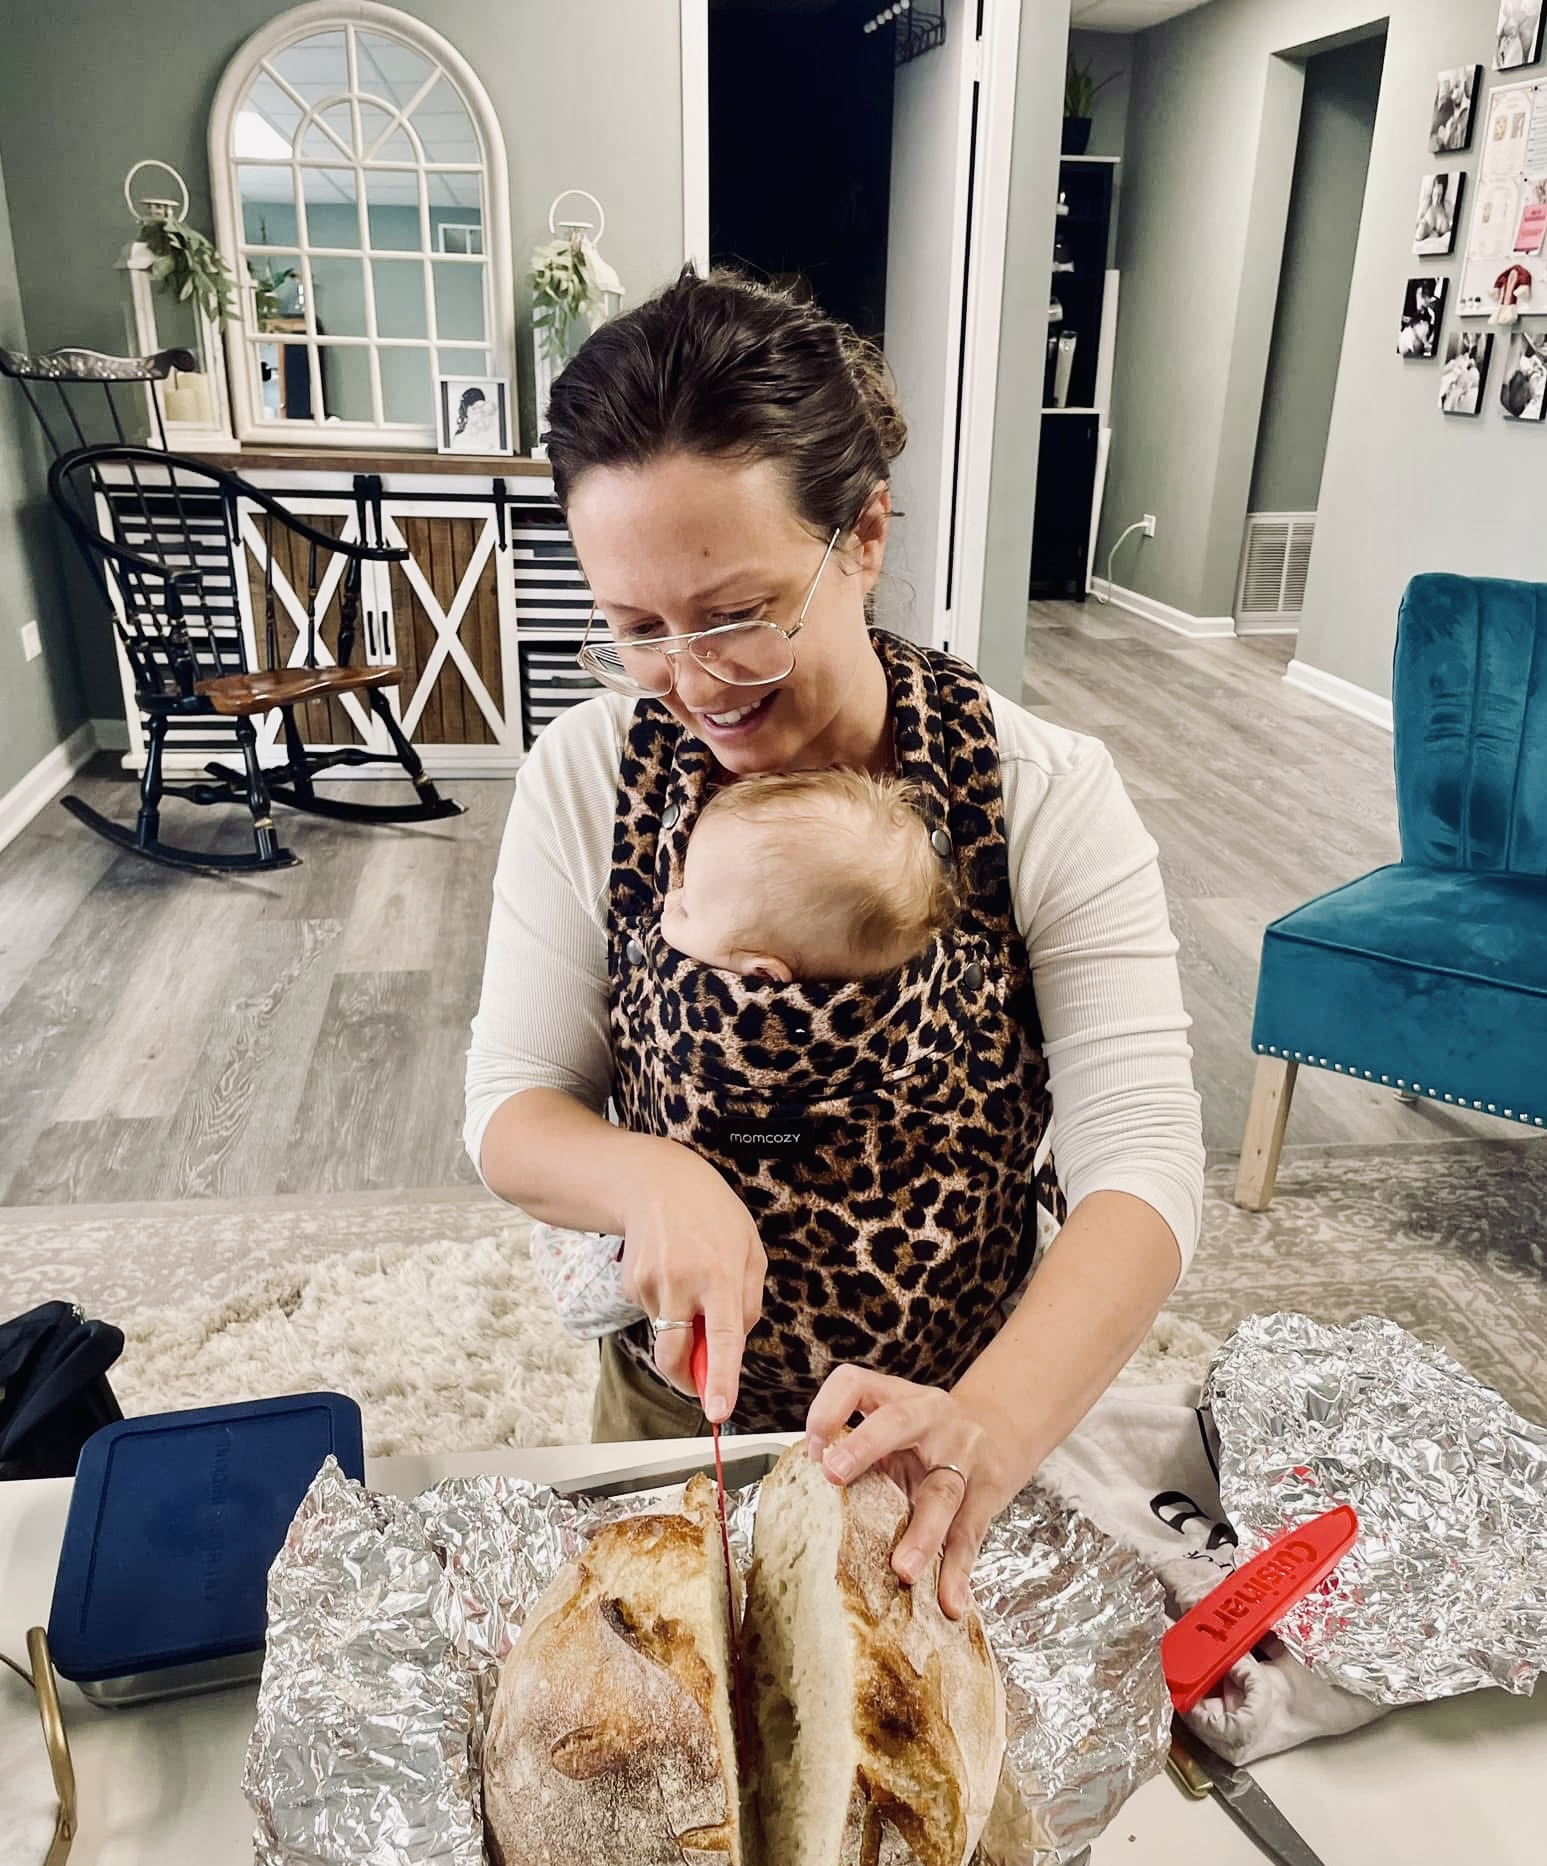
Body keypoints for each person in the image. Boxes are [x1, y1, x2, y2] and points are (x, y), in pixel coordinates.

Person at [465, 268, 1204, 1618]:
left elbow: (1140, 1167)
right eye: (635, 629)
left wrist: (986, 1423)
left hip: (960, 1405)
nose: (689, 684)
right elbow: (511, 1110)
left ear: (862, 536)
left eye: (736, 613)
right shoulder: (585, 776)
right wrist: (643, 1176)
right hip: (681, 1411)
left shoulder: (1036, 790)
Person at [527, 766, 958, 1339]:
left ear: (761, 974)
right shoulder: (912, 1009)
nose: (670, 897)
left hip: (711, 1308)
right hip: (915, 1322)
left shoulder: (705, 1035)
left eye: (690, 902)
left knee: (579, 1269)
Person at [1413, 175, 1453, 251]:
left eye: (1440, 195)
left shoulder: (1446, 206)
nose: (1438, 197)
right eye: (1436, 194)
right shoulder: (1427, 202)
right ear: (1433, 189)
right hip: (1422, 243)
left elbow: (1452, 226)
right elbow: (1416, 223)